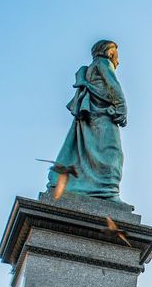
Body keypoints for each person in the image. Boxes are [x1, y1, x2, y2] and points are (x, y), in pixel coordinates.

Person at [48, 40, 127, 201]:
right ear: (110, 52)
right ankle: (108, 191)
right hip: (104, 116)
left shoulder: (92, 67)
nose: (118, 61)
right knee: (112, 154)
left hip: (91, 116)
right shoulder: (104, 63)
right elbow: (113, 87)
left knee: (85, 153)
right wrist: (122, 108)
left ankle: (83, 187)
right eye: (116, 56)